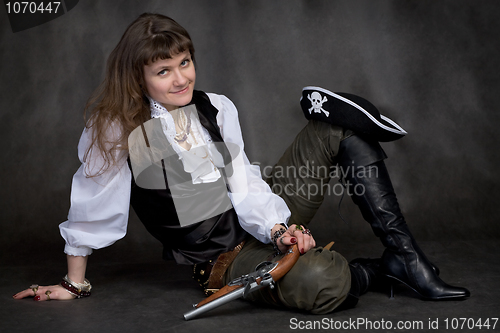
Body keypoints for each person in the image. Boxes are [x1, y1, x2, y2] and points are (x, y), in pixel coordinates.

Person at [13, 13, 469, 313]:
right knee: (325, 281)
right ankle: (376, 271)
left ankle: (409, 262)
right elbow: (93, 204)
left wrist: (277, 228)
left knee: (335, 131)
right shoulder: (118, 128)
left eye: (184, 62)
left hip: (255, 214)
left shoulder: (217, 107)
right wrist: (73, 284)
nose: (181, 78)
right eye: (163, 70)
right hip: (221, 258)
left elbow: (242, 180)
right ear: (138, 76)